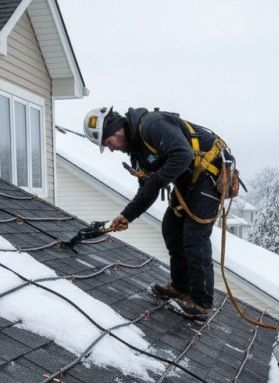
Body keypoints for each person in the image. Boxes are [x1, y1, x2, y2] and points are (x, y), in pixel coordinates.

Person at [83, 106, 232, 321]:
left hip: (209, 173)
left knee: (194, 236)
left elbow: (183, 154)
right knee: (171, 227)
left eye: (107, 143)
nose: (111, 149)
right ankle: (181, 287)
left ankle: (201, 303)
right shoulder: (137, 152)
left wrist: (155, 181)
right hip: (189, 179)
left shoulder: (151, 125)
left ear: (116, 130)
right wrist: (127, 215)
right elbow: (147, 188)